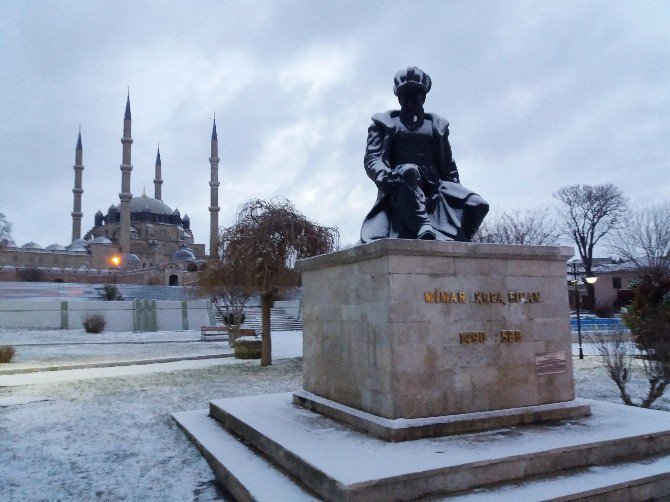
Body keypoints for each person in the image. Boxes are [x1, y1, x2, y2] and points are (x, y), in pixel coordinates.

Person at [360, 67, 488, 242]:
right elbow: (372, 159)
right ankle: (423, 226)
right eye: (406, 95)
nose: (411, 100)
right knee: (409, 171)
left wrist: (456, 188)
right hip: (401, 180)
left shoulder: (437, 126)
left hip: (436, 184)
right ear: (399, 98)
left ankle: (460, 244)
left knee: (478, 205)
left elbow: (448, 164)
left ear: (423, 97)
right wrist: (385, 176)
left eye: (415, 95)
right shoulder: (384, 124)